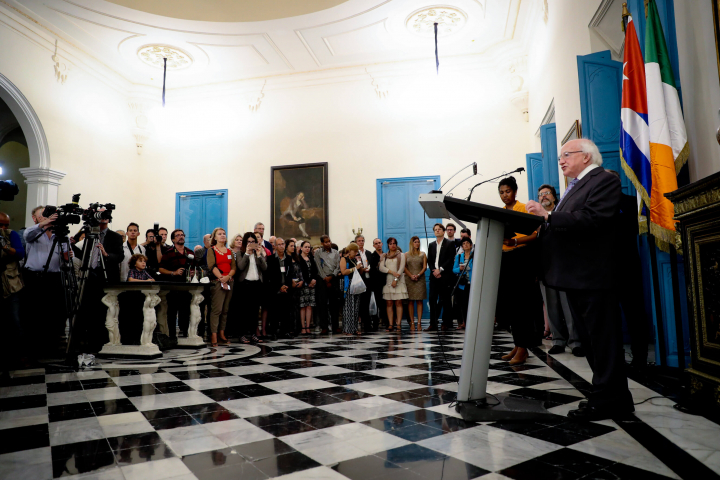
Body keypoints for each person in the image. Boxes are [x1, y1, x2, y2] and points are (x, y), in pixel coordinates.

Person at [526, 138, 634, 421]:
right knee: (590, 339)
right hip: (576, 276)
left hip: (593, 276)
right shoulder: (573, 187)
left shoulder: (603, 180)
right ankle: (615, 397)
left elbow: (593, 219)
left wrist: (548, 216)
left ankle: (608, 399)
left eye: (566, 155)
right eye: (560, 156)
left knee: (602, 340)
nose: (560, 160)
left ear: (586, 157)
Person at [495, 176, 543, 365]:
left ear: (515, 191)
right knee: (512, 306)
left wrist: (515, 241)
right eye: (501, 192)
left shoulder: (524, 208)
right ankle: (517, 344)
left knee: (522, 305)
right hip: (505, 259)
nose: (504, 195)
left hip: (522, 257)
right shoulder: (498, 212)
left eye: (507, 191)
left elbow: (535, 234)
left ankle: (523, 348)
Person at [607, 170, 650, 368]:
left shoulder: (632, 202)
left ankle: (640, 357)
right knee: (609, 317)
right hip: (604, 269)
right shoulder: (595, 205)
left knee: (634, 314)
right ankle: (615, 357)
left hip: (628, 266)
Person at [536, 184, 582, 356]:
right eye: (540, 195)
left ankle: (576, 342)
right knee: (551, 307)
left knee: (568, 306)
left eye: (547, 193)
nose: (543, 196)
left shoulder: (562, 214)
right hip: (545, 269)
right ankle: (558, 341)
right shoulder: (536, 219)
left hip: (565, 268)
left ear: (554, 197)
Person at [22, 209, 71, 356]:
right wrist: (44, 224)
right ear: (35, 218)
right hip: (35, 278)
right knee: (34, 314)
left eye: (49, 214)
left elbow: (66, 258)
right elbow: (28, 236)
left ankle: (52, 347)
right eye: (43, 215)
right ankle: (34, 349)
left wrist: (68, 255)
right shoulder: (33, 232)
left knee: (54, 314)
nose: (47, 217)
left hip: (54, 278)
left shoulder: (60, 234)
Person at [159, 229, 195, 339]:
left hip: (186, 286)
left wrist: (193, 272)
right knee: (172, 312)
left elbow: (195, 268)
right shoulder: (168, 252)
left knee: (185, 311)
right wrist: (173, 273)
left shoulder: (190, 252)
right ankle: (172, 336)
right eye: (178, 235)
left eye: (182, 235)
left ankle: (185, 334)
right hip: (173, 286)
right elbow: (161, 269)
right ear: (173, 239)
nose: (181, 237)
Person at [1, 212, 26, 368]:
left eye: (6, 225)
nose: (3, 228)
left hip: (11, 284)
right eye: (1, 225)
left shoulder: (12, 235)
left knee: (15, 321)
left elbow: (20, 253)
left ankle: (18, 355)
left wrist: (5, 247)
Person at [206, 228, 236, 347]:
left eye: (224, 234)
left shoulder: (229, 251)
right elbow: (211, 265)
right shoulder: (211, 250)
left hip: (229, 281)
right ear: (215, 237)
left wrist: (228, 276)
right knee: (216, 310)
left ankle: (221, 333)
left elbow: (234, 266)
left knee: (225, 309)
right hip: (218, 282)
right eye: (220, 234)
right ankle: (213, 334)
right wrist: (221, 278)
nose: (222, 236)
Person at [235, 232, 267, 344]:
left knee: (254, 311)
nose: (251, 244)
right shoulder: (240, 253)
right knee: (244, 311)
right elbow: (241, 266)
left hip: (256, 284)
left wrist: (259, 255)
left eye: (253, 242)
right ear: (245, 243)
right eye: (248, 242)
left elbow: (264, 267)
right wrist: (247, 254)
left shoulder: (258, 253)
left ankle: (253, 334)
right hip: (245, 285)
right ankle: (242, 334)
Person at [426, 224, 455, 331]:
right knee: (432, 299)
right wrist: (434, 270)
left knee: (445, 300)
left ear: (444, 231)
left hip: (445, 276)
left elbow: (450, 259)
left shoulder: (450, 243)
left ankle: (445, 323)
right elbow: (430, 260)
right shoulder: (431, 245)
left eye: (439, 229)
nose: (437, 231)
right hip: (434, 276)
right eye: (435, 230)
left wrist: (440, 269)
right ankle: (433, 323)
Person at [266, 237, 294, 338]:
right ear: (275, 246)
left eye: (282, 244)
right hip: (275, 289)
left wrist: (287, 286)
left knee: (286, 311)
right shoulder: (271, 259)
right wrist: (279, 287)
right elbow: (270, 276)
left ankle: (285, 331)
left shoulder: (289, 258)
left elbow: (290, 273)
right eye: (279, 244)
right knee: (274, 312)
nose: (281, 246)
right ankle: (273, 331)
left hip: (287, 288)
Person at [379, 237, 408, 332]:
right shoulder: (385, 256)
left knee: (398, 302)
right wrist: (391, 272)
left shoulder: (401, 255)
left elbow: (401, 268)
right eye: (391, 243)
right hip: (388, 280)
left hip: (398, 280)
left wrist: (396, 279)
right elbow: (381, 268)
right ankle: (391, 324)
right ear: (388, 245)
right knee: (389, 303)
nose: (393, 245)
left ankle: (398, 324)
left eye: (394, 243)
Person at [315, 235, 340, 334]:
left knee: (334, 304)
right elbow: (318, 266)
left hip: (333, 279)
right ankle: (324, 327)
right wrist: (325, 278)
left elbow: (338, 266)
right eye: (325, 242)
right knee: (323, 304)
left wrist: (332, 276)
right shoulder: (318, 253)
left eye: (329, 241)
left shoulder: (336, 253)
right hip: (322, 280)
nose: (328, 243)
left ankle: (335, 326)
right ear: (322, 243)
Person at [340, 242, 364, 336]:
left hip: (356, 284)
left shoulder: (354, 260)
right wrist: (355, 268)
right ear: (350, 251)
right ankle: (347, 329)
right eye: (355, 251)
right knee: (349, 308)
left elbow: (360, 272)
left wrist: (360, 266)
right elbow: (343, 272)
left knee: (356, 308)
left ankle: (354, 328)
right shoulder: (344, 259)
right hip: (348, 284)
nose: (356, 253)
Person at [404, 236, 427, 331]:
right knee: (410, 301)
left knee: (419, 301)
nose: (417, 243)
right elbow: (404, 267)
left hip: (419, 279)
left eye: (418, 242)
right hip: (409, 279)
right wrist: (411, 275)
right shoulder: (406, 254)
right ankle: (412, 323)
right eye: (415, 242)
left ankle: (419, 323)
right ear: (411, 243)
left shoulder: (423, 254)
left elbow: (424, 267)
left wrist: (417, 275)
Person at [297, 240, 319, 335]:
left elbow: (315, 270)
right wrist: (308, 281)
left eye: (309, 247)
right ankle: (302, 326)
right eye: (305, 247)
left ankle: (308, 327)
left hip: (311, 285)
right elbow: (301, 272)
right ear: (301, 248)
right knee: (303, 306)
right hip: (303, 285)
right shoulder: (298, 259)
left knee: (309, 306)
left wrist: (313, 280)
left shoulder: (311, 258)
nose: (307, 249)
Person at [354, 235, 375, 332]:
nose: (361, 242)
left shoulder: (368, 253)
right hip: (358, 280)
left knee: (367, 301)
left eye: (362, 240)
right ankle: (359, 323)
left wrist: (369, 270)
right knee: (360, 303)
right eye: (359, 241)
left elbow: (372, 264)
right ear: (356, 242)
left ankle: (367, 324)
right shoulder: (354, 253)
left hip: (368, 279)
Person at [452, 237, 474, 330]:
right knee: (463, 304)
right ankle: (464, 323)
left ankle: (473, 323)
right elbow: (454, 270)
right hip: (462, 284)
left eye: (467, 243)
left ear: (471, 245)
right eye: (463, 244)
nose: (465, 245)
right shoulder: (459, 256)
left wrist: (469, 266)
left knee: (472, 304)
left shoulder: (475, 255)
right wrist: (460, 269)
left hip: (473, 283)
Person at [368, 238, 388, 329]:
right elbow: (372, 270)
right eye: (376, 243)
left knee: (387, 302)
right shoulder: (372, 256)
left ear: (382, 244)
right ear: (373, 245)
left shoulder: (387, 255)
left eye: (379, 243)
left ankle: (387, 321)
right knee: (378, 303)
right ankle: (376, 322)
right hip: (376, 282)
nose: (378, 245)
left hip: (387, 281)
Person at [285, 239, 303, 334]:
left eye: (294, 246)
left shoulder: (297, 257)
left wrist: (301, 281)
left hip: (298, 284)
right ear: (286, 247)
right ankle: (290, 328)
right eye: (291, 245)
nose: (293, 247)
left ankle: (297, 327)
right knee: (289, 307)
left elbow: (300, 270)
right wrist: (290, 281)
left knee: (296, 307)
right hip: (289, 285)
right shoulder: (285, 258)